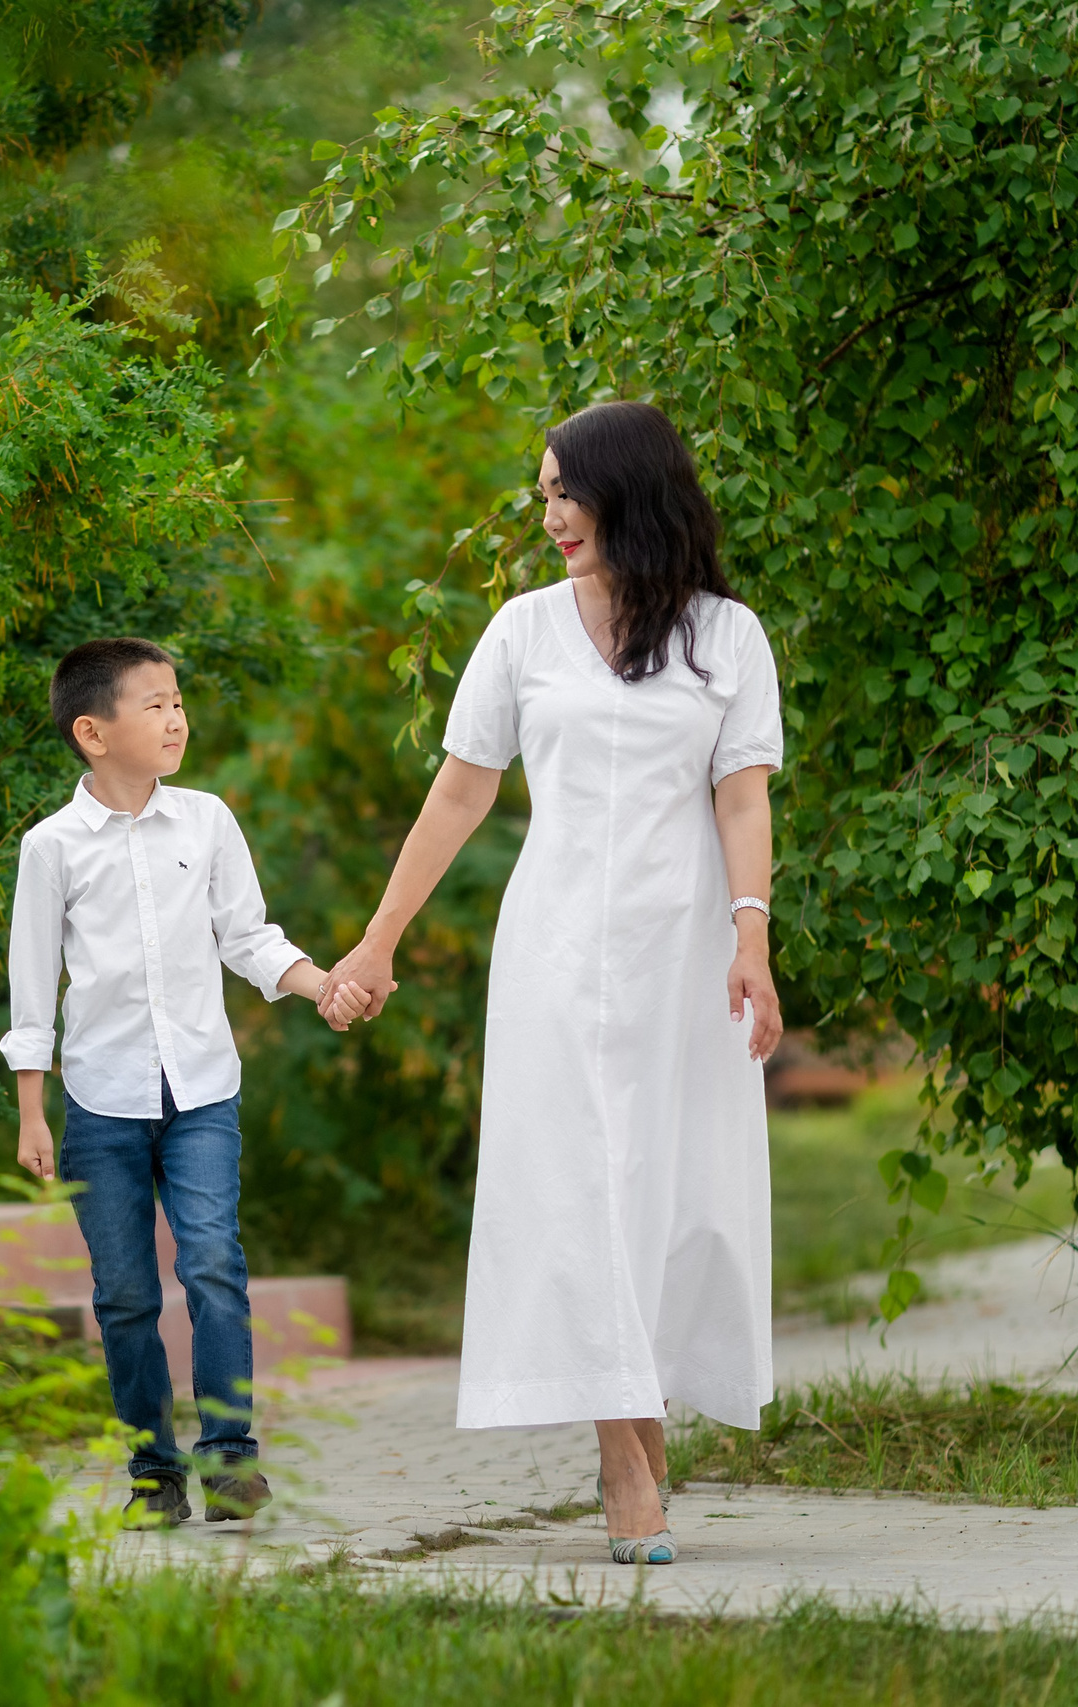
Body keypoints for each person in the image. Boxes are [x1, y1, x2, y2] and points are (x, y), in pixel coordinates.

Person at [323, 400, 785, 1565]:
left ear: (628, 492)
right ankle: (628, 1471)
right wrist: (375, 943)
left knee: (669, 1199)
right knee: (580, 1191)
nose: (549, 518)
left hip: (684, 957)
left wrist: (753, 939)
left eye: (563, 495)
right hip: (556, 952)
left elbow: (741, 798)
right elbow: (460, 795)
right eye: (540, 496)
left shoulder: (727, 637)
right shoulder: (520, 633)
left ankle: (640, 1435)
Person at [2, 636, 365, 1526]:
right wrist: (31, 1113)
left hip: (202, 1087)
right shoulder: (51, 847)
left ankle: (232, 1462)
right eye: (155, 703)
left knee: (213, 1266)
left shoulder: (207, 821)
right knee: (124, 1293)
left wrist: (321, 984)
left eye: (177, 701)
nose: (176, 717)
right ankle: (152, 1472)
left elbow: (247, 936)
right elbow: (30, 983)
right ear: (93, 730)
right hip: (98, 1101)